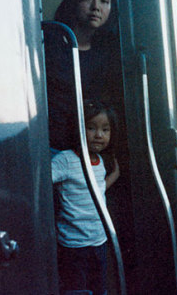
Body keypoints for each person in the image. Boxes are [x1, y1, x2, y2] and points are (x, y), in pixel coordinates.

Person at [46, 0, 121, 151]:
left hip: (80, 151)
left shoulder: (106, 54)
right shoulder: (50, 38)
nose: (96, 7)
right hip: (46, 141)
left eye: (104, 1)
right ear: (74, 0)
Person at [52, 100, 120, 295]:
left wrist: (115, 175)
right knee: (77, 290)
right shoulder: (65, 159)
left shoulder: (99, 162)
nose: (99, 135)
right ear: (78, 128)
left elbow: (97, 189)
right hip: (73, 244)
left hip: (99, 240)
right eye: (91, 128)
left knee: (99, 288)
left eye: (105, 130)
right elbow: (40, 183)